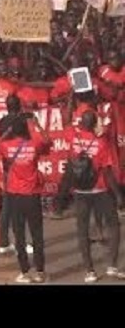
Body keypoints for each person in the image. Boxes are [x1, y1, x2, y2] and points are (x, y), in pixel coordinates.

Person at [58, 109, 125, 282]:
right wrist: (118, 195)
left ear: (81, 123)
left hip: (80, 192)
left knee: (82, 230)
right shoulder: (102, 142)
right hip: (100, 190)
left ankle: (90, 271)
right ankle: (111, 266)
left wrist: (71, 98)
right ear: (95, 124)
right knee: (114, 226)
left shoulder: (72, 136)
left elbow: (65, 118)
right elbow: (108, 172)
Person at [0, 115, 49, 283]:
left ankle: (25, 271)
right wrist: (37, 125)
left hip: (14, 195)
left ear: (14, 130)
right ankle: (40, 271)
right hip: (32, 194)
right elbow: (47, 141)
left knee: (19, 234)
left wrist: (8, 131)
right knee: (37, 233)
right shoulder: (34, 145)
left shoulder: (6, 146)